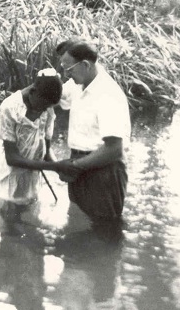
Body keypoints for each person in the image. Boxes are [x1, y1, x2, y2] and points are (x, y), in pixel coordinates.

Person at [52, 40, 131, 221]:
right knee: (77, 221)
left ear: (86, 65)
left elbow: (114, 149)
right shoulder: (79, 83)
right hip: (79, 163)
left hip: (104, 170)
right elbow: (55, 97)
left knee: (103, 228)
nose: (66, 74)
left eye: (69, 69)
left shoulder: (108, 95)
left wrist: (73, 167)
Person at [0, 69, 63, 204]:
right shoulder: (10, 108)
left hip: (34, 177)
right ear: (32, 92)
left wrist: (60, 168)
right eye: (42, 106)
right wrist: (54, 167)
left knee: (31, 210)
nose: (44, 110)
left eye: (47, 107)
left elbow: (46, 151)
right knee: (9, 216)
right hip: (11, 178)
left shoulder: (47, 106)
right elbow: (12, 158)